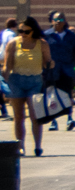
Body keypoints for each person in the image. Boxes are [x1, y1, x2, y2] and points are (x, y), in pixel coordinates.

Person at [4, 18, 48, 156]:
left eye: (26, 31)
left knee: (35, 116)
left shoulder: (42, 44)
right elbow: (7, 65)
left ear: (33, 30)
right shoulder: (13, 43)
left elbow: (47, 61)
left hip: (35, 81)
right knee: (19, 117)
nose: (23, 33)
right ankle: (20, 146)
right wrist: (3, 82)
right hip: (16, 80)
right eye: (20, 31)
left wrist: (50, 64)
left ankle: (38, 146)